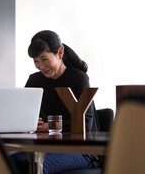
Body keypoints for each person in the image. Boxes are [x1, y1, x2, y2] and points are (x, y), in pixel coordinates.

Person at [11, 30, 101, 174]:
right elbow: (26, 115)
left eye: (44, 59)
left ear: (59, 53)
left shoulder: (79, 78)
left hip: (82, 150)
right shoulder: (34, 80)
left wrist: (48, 126)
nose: (41, 66)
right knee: (10, 162)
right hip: (44, 148)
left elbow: (85, 122)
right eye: (36, 61)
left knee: (36, 166)